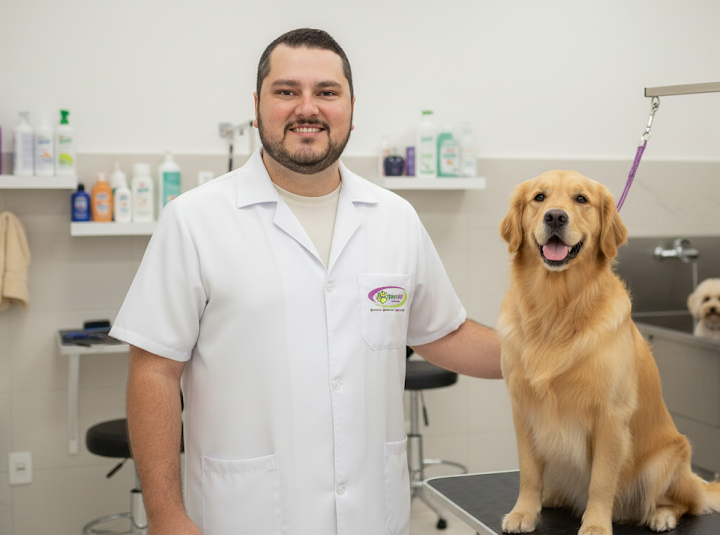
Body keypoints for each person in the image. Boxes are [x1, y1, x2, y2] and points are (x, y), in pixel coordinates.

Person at [110, 28, 502, 535]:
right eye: (287, 91)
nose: (307, 108)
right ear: (257, 105)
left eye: (327, 92)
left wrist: (552, 356)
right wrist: (166, 516)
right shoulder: (195, 220)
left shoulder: (394, 218)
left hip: (371, 516)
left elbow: (442, 333)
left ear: (352, 108)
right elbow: (154, 372)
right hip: (247, 516)